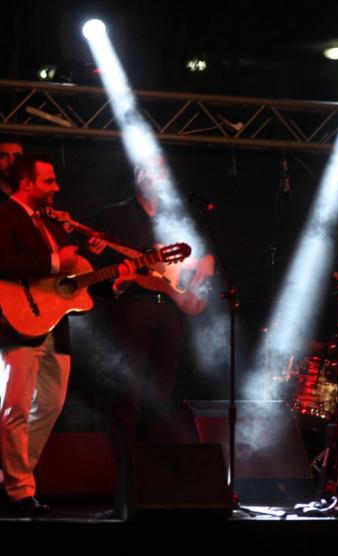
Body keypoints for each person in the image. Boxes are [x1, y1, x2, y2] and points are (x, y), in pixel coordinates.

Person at [92, 161, 214, 468]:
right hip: (131, 307)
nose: (149, 175)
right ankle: (124, 472)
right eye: (143, 169)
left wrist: (204, 265)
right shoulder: (113, 216)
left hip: (169, 310)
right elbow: (95, 271)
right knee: (128, 394)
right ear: (135, 173)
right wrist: (116, 281)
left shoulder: (176, 218)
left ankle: (153, 468)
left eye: (157, 170)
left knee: (162, 394)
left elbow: (200, 258)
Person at [0, 154, 78, 514]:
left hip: (54, 327)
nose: (56, 187)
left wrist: (117, 280)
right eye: (49, 181)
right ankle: (19, 490)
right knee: (15, 408)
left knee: (50, 405)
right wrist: (55, 261)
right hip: (17, 325)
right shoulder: (6, 214)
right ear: (26, 183)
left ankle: (12, 478)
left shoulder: (48, 222)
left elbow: (66, 280)